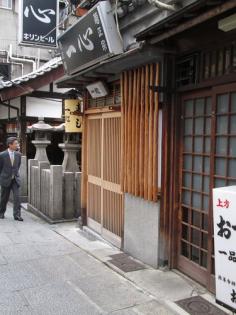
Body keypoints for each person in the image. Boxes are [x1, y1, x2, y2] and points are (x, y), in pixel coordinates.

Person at [0, 137, 23, 221]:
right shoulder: (2, 155)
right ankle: (1, 212)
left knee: (17, 198)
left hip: (15, 180)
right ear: (10, 145)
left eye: (17, 143)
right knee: (4, 198)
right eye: (16, 143)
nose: (17, 145)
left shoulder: (18, 155)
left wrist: (15, 174)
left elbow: (18, 166)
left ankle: (17, 215)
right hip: (5, 179)